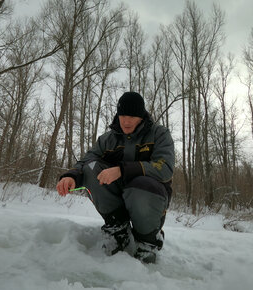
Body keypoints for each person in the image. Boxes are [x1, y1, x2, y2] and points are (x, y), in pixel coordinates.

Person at [56, 91, 174, 263]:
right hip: (118, 197)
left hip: (149, 200)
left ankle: (147, 240)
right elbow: (87, 160)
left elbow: (164, 168)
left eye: (132, 116)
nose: (126, 121)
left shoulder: (159, 134)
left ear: (141, 116)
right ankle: (117, 229)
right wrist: (72, 176)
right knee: (91, 168)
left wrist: (122, 170)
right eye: (122, 115)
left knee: (141, 184)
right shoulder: (107, 139)